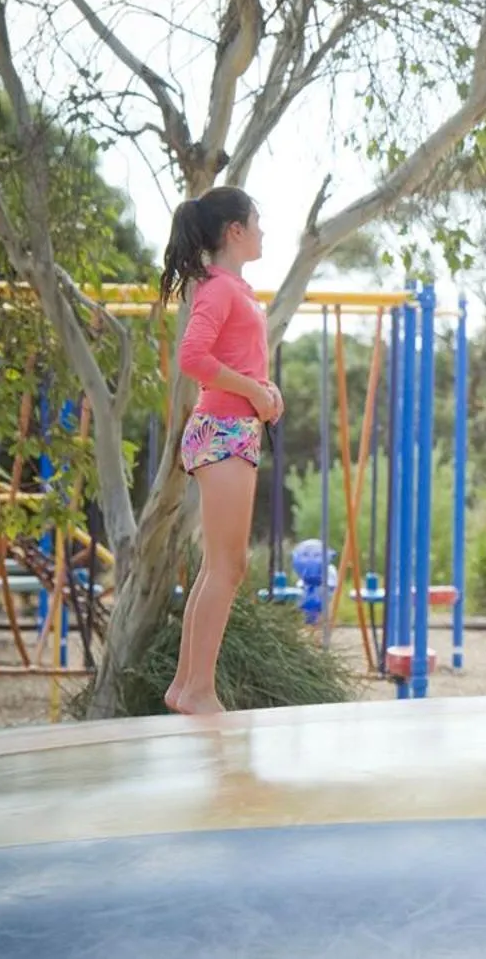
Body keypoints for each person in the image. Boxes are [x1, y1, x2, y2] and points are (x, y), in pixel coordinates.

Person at [160, 186, 283, 715]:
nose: (262, 230)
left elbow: (234, 360)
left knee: (218, 567)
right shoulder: (218, 289)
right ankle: (198, 690)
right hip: (223, 431)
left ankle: (186, 687)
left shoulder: (232, 287)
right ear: (235, 230)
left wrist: (265, 391)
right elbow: (192, 356)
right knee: (228, 569)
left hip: (234, 430)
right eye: (257, 221)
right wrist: (255, 392)